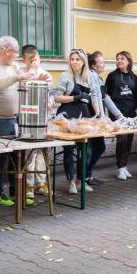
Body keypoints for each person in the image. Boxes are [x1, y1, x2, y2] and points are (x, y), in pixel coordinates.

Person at [0, 36, 36, 206]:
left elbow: (21, 81)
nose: (17, 56)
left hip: (14, 119)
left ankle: (16, 192)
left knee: (15, 159)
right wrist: (17, 78)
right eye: (16, 53)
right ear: (8, 51)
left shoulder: (13, 65)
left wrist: (33, 81)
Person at [52, 49, 101, 193]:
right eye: (72, 59)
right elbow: (57, 97)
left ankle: (81, 180)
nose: (74, 62)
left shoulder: (89, 77)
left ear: (83, 61)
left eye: (77, 59)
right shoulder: (65, 76)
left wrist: (97, 114)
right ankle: (71, 182)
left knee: (87, 149)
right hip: (67, 115)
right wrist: (75, 97)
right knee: (69, 150)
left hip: (83, 115)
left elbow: (93, 97)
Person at [20, 44, 53, 197]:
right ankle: (28, 185)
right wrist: (33, 76)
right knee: (29, 152)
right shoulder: (20, 74)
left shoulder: (46, 74)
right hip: (27, 119)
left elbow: (50, 96)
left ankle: (41, 182)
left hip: (42, 119)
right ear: (24, 61)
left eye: (36, 59)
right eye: (30, 60)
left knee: (41, 152)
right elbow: (21, 96)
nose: (34, 63)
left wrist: (49, 103)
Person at [87, 51, 124, 185]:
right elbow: (95, 96)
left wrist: (119, 115)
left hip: (99, 119)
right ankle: (85, 176)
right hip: (92, 118)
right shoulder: (91, 76)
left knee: (98, 147)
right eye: (101, 62)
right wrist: (102, 117)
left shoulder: (99, 78)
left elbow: (105, 97)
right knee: (93, 148)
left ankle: (87, 174)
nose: (104, 64)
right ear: (94, 65)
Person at [105, 50, 137, 180]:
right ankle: (120, 168)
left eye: (122, 58)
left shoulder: (134, 77)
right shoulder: (112, 76)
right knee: (122, 139)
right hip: (117, 113)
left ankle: (124, 165)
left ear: (128, 61)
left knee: (129, 139)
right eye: (118, 59)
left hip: (131, 113)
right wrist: (111, 114)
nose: (119, 61)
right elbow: (106, 96)